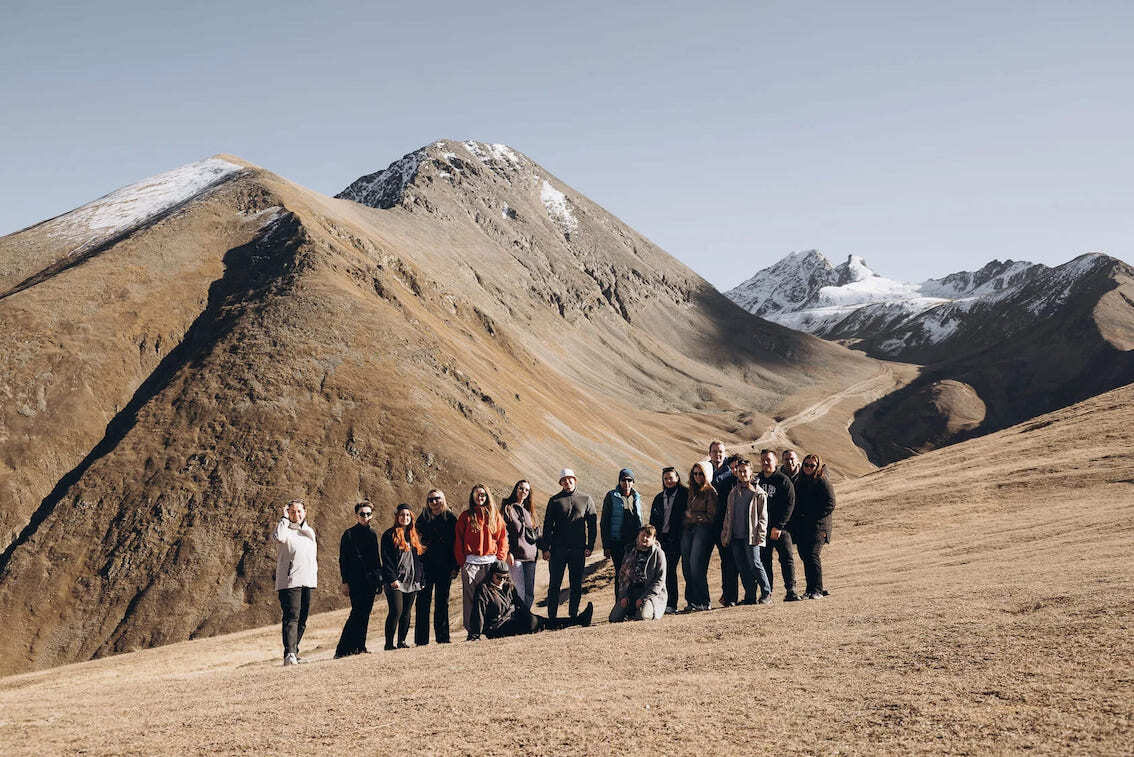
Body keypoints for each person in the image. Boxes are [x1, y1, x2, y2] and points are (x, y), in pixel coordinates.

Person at [468, 560, 593, 640]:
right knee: (537, 623)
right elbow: (478, 612)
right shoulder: (484, 589)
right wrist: (475, 635)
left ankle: (579, 620)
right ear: (491, 575)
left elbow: (519, 604)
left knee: (542, 621)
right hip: (496, 627)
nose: (501, 580)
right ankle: (578, 620)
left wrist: (529, 616)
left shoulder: (508, 586)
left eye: (504, 577)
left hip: (513, 618)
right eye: (498, 577)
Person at [541, 468, 598, 621]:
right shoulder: (554, 500)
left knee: (576, 584)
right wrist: (545, 548)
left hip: (578, 549)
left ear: (575, 479)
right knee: (554, 584)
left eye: (569, 479)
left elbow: (592, 524)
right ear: (561, 483)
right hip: (558, 549)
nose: (567, 482)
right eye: (563, 480)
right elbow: (547, 526)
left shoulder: (586, 499)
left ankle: (573, 615)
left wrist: (590, 546)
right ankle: (551, 617)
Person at [454, 484, 509, 638]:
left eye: (483, 494)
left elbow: (503, 538)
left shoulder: (494, 515)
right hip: (471, 563)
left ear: (487, 496)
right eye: (477, 494)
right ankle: (473, 631)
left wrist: (500, 560)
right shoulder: (465, 516)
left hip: (491, 563)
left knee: (492, 596)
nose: (480, 497)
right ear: (472, 496)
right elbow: (458, 540)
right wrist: (462, 562)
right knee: (471, 598)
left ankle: (494, 628)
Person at [720, 460, 772, 604]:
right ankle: (750, 596)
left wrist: (761, 535)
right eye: (740, 471)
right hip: (736, 536)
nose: (742, 474)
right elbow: (728, 515)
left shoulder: (758, 493)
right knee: (742, 567)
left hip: (752, 536)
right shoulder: (733, 492)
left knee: (755, 564)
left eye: (745, 471)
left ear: (751, 472)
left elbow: (763, 517)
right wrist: (725, 533)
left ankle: (767, 593)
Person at [273, 498, 317, 666]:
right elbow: (279, 537)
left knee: (302, 619)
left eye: (299, 511)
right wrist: (283, 519)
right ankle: (289, 653)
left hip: (307, 581)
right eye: (292, 512)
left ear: (305, 513)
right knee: (292, 617)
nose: (296, 514)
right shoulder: (284, 530)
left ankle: (294, 651)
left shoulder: (309, 532)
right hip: (290, 582)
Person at [334, 501, 380, 658]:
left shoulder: (373, 534)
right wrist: (344, 581)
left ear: (371, 515)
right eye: (362, 514)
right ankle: (342, 650)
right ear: (356, 515)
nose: (365, 517)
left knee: (365, 614)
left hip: (370, 581)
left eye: (368, 514)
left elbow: (376, 559)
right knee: (356, 614)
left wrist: (378, 580)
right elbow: (343, 559)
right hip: (355, 581)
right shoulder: (348, 534)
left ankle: (359, 646)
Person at [756, 449, 801, 601]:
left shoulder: (783, 480)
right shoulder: (757, 480)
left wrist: (779, 526)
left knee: (786, 559)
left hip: (782, 529)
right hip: (763, 529)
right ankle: (767, 593)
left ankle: (791, 590)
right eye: (763, 460)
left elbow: (790, 503)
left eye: (768, 460)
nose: (765, 462)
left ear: (775, 462)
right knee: (764, 561)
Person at [415, 489, 459, 645]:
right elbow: (416, 541)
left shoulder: (451, 518)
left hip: (445, 567)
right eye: (431, 499)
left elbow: (456, 544)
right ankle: (421, 640)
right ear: (427, 502)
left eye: (437, 499)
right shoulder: (422, 519)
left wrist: (455, 566)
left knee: (442, 602)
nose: (434, 502)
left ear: (443, 499)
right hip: (426, 567)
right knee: (422, 603)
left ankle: (443, 638)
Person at [380, 504, 425, 650]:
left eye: (407, 515)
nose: (404, 518)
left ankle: (402, 641)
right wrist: (392, 579)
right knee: (396, 611)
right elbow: (386, 559)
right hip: (396, 581)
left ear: (411, 517)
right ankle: (388, 644)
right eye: (401, 515)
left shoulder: (415, 535)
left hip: (412, 581)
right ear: (397, 517)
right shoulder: (389, 535)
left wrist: (421, 578)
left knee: (406, 613)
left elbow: (421, 560)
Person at [791, 453, 836, 599]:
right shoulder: (800, 481)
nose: (809, 467)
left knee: (812, 555)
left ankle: (817, 589)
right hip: (803, 527)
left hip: (818, 527)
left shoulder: (822, 481)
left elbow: (830, 503)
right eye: (806, 464)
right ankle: (811, 589)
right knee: (805, 556)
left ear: (817, 466)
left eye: (812, 465)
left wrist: (813, 516)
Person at [600, 468, 644, 599]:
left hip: (634, 543)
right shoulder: (611, 496)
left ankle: (632, 606)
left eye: (629, 480)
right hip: (617, 543)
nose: (627, 483)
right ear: (619, 481)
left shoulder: (636, 497)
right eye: (623, 480)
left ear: (633, 482)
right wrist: (606, 546)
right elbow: (605, 522)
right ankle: (620, 605)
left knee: (635, 574)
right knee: (620, 573)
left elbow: (640, 519)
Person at [648, 466, 687, 614]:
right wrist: (654, 538)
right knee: (663, 571)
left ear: (677, 478)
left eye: (671, 478)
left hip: (678, 537)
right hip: (662, 539)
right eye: (666, 479)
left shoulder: (685, 494)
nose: (669, 481)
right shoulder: (659, 497)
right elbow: (653, 520)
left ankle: (674, 603)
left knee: (677, 569)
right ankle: (666, 603)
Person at [680, 461, 717, 612]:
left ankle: (704, 600)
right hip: (689, 530)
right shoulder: (691, 491)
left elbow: (711, 516)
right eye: (695, 473)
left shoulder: (710, 492)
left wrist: (692, 516)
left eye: (701, 473)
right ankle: (692, 601)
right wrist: (690, 517)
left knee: (696, 566)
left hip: (703, 531)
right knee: (686, 566)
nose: (697, 476)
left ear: (707, 474)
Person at [609, 526, 667, 622]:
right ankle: (630, 612)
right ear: (638, 536)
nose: (644, 538)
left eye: (648, 536)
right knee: (614, 618)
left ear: (654, 538)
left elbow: (660, 580)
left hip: (648, 594)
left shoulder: (659, 553)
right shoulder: (630, 551)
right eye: (643, 535)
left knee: (642, 616)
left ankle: (646, 610)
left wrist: (643, 598)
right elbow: (622, 576)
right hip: (631, 591)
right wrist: (624, 596)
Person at [501, 479, 540, 607]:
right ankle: (516, 619)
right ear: (516, 489)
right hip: (516, 557)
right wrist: (508, 552)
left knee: (529, 592)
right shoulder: (507, 508)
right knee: (518, 590)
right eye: (521, 488)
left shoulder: (530, 511)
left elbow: (537, 532)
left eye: (527, 490)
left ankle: (526, 619)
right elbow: (503, 532)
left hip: (531, 557)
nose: (523, 491)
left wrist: (545, 549)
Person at [711, 448, 741, 607]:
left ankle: (749, 595)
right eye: (733, 467)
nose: (736, 470)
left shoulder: (749, 482)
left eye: (739, 467)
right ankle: (730, 596)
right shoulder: (725, 483)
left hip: (742, 529)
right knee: (728, 562)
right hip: (724, 529)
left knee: (742, 562)